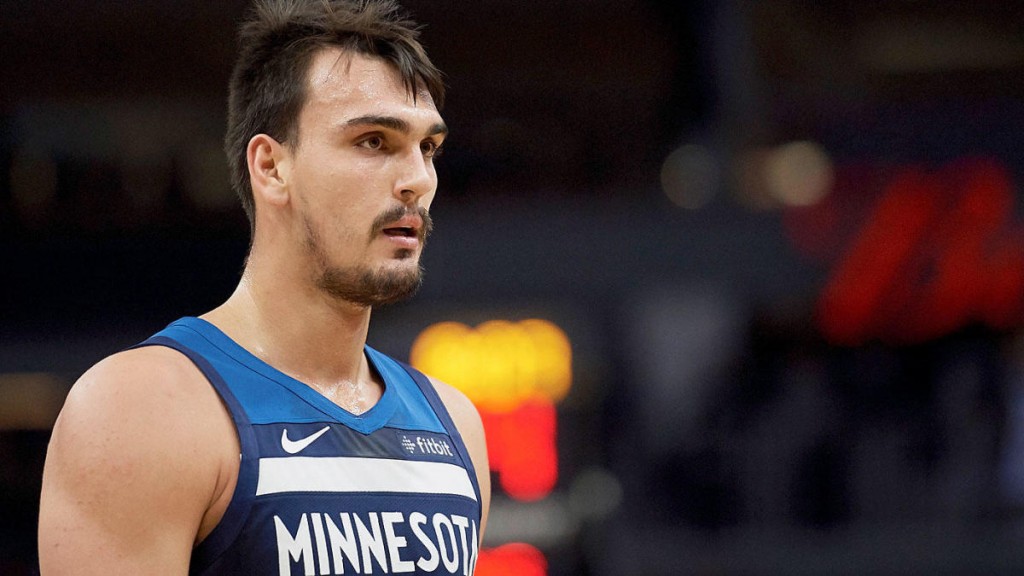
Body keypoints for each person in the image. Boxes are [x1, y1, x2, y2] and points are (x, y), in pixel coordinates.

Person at [38, 1, 490, 574]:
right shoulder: (142, 410)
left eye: (427, 148)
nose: (416, 181)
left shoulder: (454, 425)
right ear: (271, 167)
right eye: (374, 142)